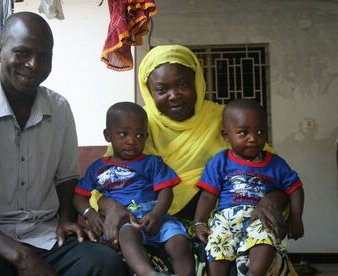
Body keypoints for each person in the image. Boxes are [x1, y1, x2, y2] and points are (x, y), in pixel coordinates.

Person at [0, 12, 126, 276]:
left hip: (45, 235)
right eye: (22, 53)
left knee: (105, 263)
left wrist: (67, 220)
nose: (33, 64)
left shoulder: (59, 109)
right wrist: (21, 256)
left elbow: (67, 178)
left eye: (44, 56)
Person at [93, 45, 298, 275]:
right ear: (149, 91)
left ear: (197, 82)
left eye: (183, 84)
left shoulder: (225, 120)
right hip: (152, 227)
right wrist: (108, 204)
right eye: (162, 89)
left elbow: (276, 173)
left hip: (221, 226)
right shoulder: (135, 126)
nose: (174, 95)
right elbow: (102, 182)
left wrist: (272, 198)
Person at [73, 102, 195, 276]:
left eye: (139, 135)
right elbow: (79, 196)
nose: (132, 141)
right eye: (123, 134)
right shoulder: (97, 168)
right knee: (127, 236)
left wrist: (157, 214)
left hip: (154, 216)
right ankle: (148, 273)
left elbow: (166, 191)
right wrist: (89, 213)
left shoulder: (152, 162)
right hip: (123, 219)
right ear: (108, 135)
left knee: (179, 241)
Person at [194, 99, 304, 276]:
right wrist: (199, 222)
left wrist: (296, 217)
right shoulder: (220, 161)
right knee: (217, 241)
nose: (253, 138)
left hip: (259, 216)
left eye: (260, 131)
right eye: (243, 133)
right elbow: (208, 196)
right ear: (226, 135)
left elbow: (295, 189)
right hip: (227, 217)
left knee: (265, 237)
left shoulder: (276, 164)